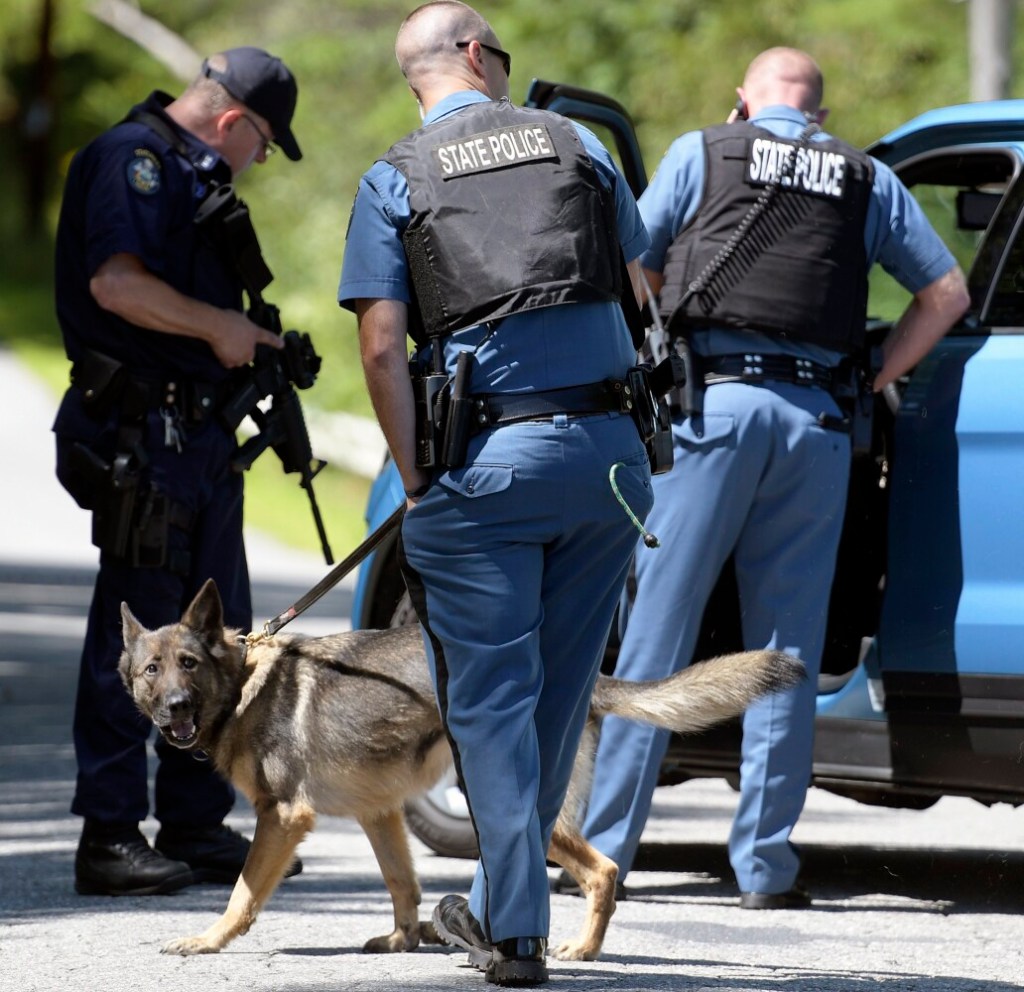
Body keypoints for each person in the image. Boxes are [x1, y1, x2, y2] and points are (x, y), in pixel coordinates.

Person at [567, 47, 970, 909]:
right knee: (783, 653)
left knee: (656, 642)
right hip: (817, 425)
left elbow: (629, 254)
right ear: (817, 115)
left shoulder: (706, 151)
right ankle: (766, 871)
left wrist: (657, 330)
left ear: (742, 103)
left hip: (711, 413)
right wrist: (874, 374)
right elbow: (947, 293)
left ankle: (604, 857)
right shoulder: (864, 180)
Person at [338, 2, 653, 984]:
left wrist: (419, 473)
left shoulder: (394, 175)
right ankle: (495, 906)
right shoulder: (581, 147)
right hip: (609, 460)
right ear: (476, 55)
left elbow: (383, 342)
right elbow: (640, 286)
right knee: (557, 694)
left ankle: (512, 931)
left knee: (487, 705)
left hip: (487, 468)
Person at [53, 47, 305, 897]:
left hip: (197, 440)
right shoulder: (136, 163)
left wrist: (256, 346)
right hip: (144, 437)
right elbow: (117, 285)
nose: (262, 161)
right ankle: (111, 833)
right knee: (141, 645)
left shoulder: (193, 177)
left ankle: (198, 822)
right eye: (264, 142)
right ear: (232, 121)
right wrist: (217, 330)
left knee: (210, 640)